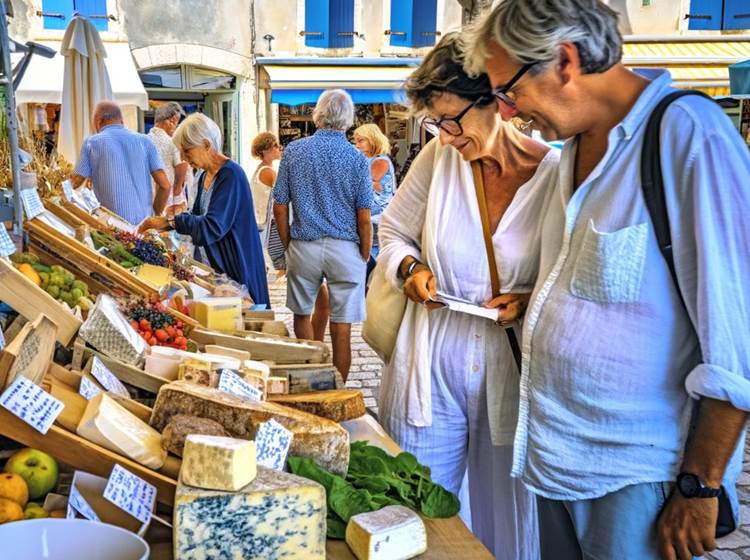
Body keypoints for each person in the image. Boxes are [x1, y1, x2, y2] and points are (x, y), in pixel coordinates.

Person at [465, 2, 750, 559]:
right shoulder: (570, 148)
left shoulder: (688, 137)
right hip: (556, 457)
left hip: (635, 475)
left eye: (507, 91)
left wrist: (699, 487)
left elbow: (737, 337)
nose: (505, 111)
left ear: (564, 61)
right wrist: (536, 301)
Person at [377, 33, 559, 559]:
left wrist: (527, 298)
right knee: (412, 512)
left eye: (453, 120)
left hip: (509, 369)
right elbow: (392, 233)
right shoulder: (439, 158)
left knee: (509, 518)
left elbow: (565, 274)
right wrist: (409, 268)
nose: (446, 134)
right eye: (436, 123)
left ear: (497, 100)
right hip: (430, 363)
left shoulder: (553, 176)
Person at [273, 89, 373, 380]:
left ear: (317, 115)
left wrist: (288, 243)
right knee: (342, 327)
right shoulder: (357, 159)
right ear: (348, 119)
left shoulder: (294, 151)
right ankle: (337, 386)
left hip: (305, 244)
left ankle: (310, 374)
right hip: (345, 247)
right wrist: (364, 254)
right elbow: (364, 217)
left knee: (302, 314)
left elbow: (280, 206)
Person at [139, 113, 270, 306]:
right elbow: (197, 214)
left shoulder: (231, 176)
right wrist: (175, 218)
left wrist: (170, 222)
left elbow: (212, 225)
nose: (183, 157)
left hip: (236, 265)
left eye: (187, 150)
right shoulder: (203, 176)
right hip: (216, 271)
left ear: (207, 145)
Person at [72, 101, 171, 224]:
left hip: (113, 228)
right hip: (144, 226)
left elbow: (75, 182)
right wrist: (154, 215)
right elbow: (165, 185)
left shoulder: (92, 143)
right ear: (122, 120)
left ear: (98, 121)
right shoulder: (145, 141)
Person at [353, 123, 396, 279]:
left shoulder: (379, 161)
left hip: (376, 217)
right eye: (356, 141)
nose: (357, 145)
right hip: (373, 215)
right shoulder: (370, 160)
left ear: (373, 140)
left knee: (371, 257)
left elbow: (362, 185)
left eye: (361, 141)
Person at [148, 102, 189, 217]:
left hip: (146, 201)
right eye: (177, 123)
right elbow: (182, 169)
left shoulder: (144, 141)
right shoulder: (173, 143)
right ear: (172, 120)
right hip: (167, 202)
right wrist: (177, 197)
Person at [250, 132, 282, 233]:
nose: (280, 147)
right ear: (265, 150)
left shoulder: (261, 168)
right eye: (275, 145)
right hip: (265, 226)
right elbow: (283, 194)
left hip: (259, 223)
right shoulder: (267, 172)